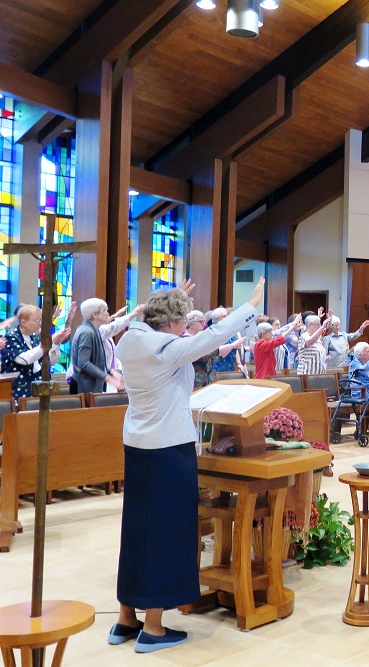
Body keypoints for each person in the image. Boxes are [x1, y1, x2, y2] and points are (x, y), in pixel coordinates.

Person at [110, 277, 264, 653]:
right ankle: (154, 628)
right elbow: (209, 339)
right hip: (168, 448)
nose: (186, 327)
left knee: (137, 528)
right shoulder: (168, 347)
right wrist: (250, 306)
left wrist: (172, 298)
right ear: (173, 323)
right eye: (182, 320)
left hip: (138, 445)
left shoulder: (131, 338)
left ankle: (126, 619)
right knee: (167, 531)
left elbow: (156, 320)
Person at [2, 304, 74, 400]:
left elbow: (50, 361)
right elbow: (25, 359)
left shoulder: (36, 338)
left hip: (37, 388)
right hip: (19, 389)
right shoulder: (11, 337)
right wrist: (49, 341)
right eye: (36, 320)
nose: (40, 324)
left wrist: (56, 344)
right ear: (23, 322)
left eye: (41, 320)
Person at [69, 298, 126, 395]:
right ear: (95, 315)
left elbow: (96, 361)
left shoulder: (94, 330)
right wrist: (107, 378)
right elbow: (83, 363)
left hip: (91, 386)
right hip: (83, 387)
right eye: (104, 310)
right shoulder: (86, 332)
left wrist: (110, 371)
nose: (108, 314)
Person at [253, 314, 301, 379]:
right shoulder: (260, 345)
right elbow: (278, 339)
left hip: (270, 375)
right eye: (270, 332)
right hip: (263, 377)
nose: (272, 333)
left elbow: (278, 334)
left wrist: (292, 325)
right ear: (263, 334)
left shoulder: (265, 342)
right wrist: (291, 328)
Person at [209, 308, 248, 376]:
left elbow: (235, 348)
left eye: (228, 316)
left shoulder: (228, 330)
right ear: (217, 319)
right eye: (224, 316)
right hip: (217, 368)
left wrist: (238, 363)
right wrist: (232, 345)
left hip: (230, 366)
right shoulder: (213, 331)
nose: (227, 318)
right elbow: (217, 352)